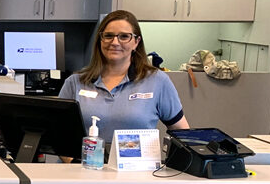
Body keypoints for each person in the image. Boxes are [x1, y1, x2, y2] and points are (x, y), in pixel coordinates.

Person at [59, 10, 189, 143]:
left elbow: (182, 132)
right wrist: (75, 162)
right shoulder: (75, 82)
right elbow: (57, 131)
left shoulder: (158, 81)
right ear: (100, 40)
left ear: (136, 42)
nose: (115, 42)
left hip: (136, 164)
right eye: (108, 36)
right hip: (84, 163)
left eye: (124, 36)